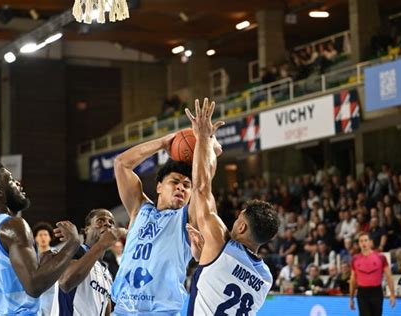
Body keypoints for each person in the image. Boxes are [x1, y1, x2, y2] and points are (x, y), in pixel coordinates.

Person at [111, 109, 222, 315]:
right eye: (175, 182)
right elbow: (121, 164)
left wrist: (205, 142)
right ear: (159, 186)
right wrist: (164, 143)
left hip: (161, 312)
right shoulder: (139, 209)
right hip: (123, 310)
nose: (181, 187)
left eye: (186, 185)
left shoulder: (187, 218)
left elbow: (203, 184)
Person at [184, 98, 279, 315]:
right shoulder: (266, 278)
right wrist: (205, 258)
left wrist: (202, 138)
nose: (234, 222)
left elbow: (200, 188)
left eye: (238, 219)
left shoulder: (219, 242)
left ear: (243, 227)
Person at [0, 160, 80, 315]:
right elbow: (34, 285)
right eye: (11, 180)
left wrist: (43, 267)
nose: (18, 183)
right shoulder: (13, 225)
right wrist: (72, 243)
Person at [52, 209, 126, 315]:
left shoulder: (107, 273)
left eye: (111, 222)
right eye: (100, 221)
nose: (107, 224)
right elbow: (65, 282)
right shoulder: (76, 251)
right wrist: (102, 244)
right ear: (86, 230)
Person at [349, 232, 396, 316]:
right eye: (361, 241)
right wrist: (351, 298)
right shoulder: (355, 259)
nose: (363, 243)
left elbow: (389, 277)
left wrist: (392, 294)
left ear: (370, 242)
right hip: (362, 293)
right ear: (359, 244)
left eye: (366, 240)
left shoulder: (381, 257)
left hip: (376, 292)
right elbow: (353, 280)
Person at [33, 222, 56, 316]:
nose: (43, 238)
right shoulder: (31, 256)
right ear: (35, 238)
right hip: (36, 296)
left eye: (45, 235)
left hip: (53, 294)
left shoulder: (57, 254)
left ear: (50, 237)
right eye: (40, 235)